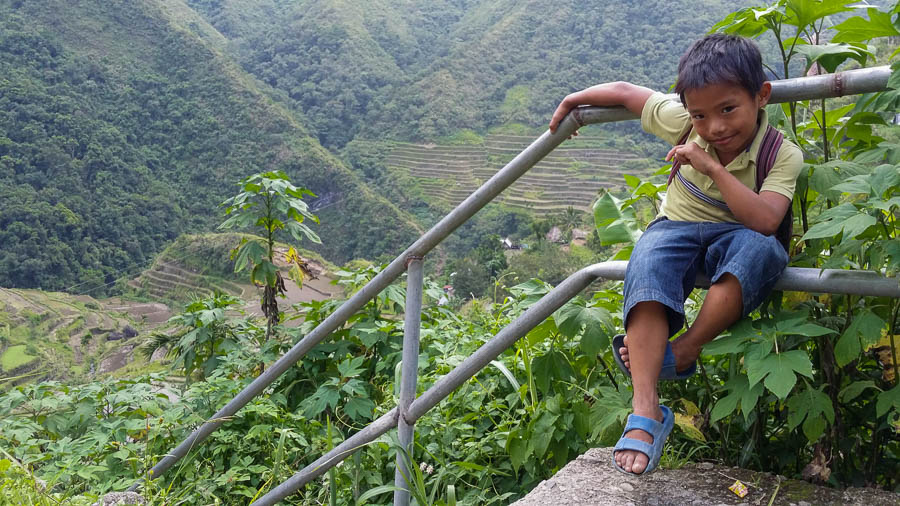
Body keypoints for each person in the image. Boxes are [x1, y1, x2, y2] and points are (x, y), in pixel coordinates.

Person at [548, 33, 803, 475]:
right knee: (647, 262)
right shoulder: (683, 121)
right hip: (678, 227)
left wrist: (713, 168)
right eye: (700, 115)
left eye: (728, 109)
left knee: (758, 254)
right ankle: (645, 408)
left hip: (740, 233)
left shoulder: (782, 154)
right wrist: (575, 99)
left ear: (761, 96)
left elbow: (765, 220)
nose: (715, 127)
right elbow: (628, 94)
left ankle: (684, 350)